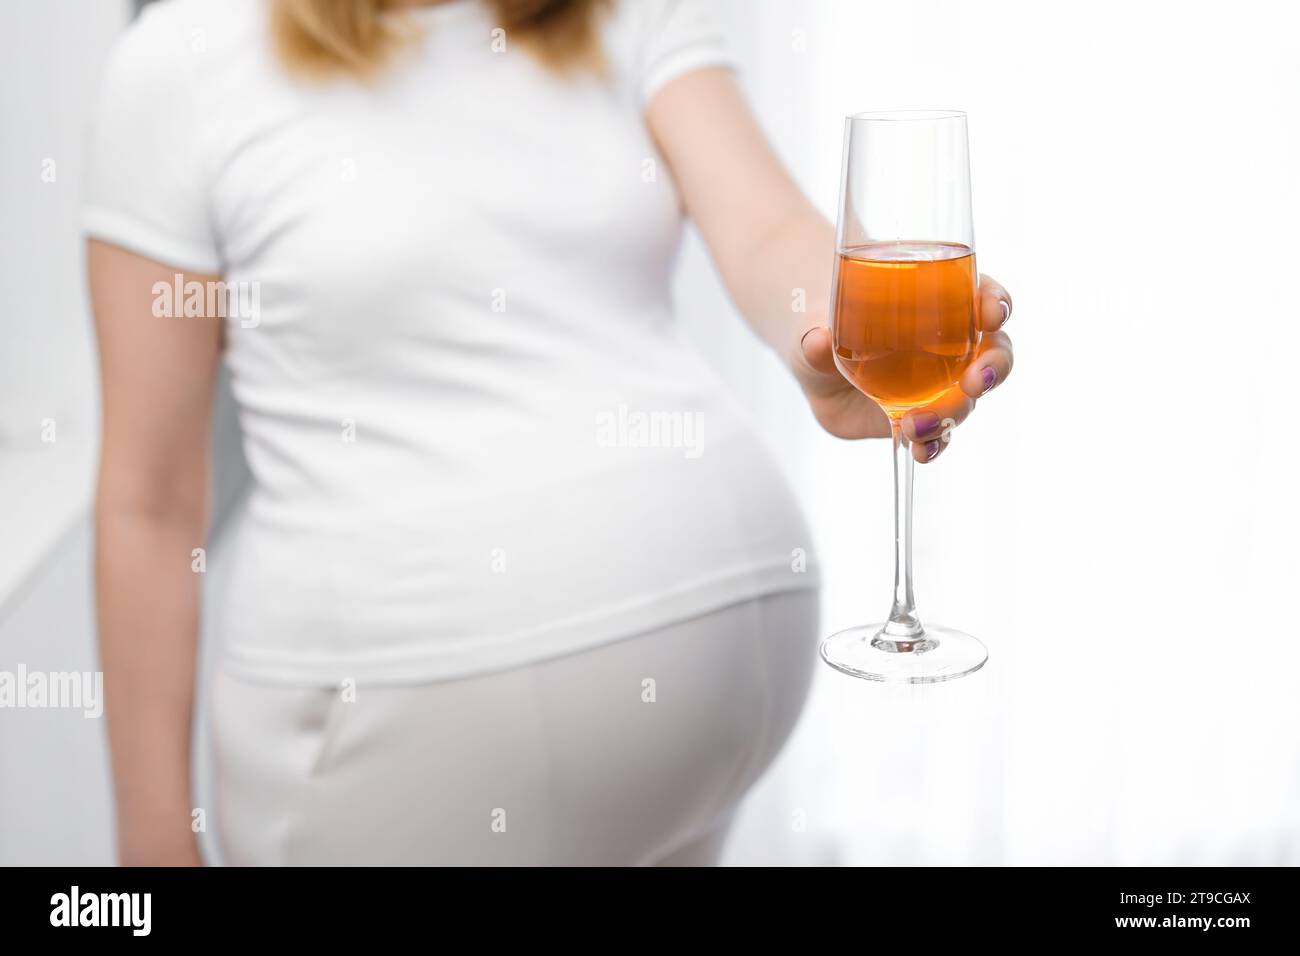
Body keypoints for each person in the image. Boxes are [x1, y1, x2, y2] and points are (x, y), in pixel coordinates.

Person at [85, 0, 1014, 866]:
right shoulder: (185, 62)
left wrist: (838, 340)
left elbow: (772, 231)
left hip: (701, 726)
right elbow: (150, 504)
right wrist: (153, 836)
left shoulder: (619, 13)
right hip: (381, 730)